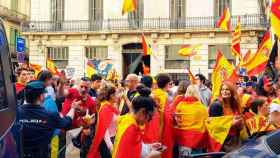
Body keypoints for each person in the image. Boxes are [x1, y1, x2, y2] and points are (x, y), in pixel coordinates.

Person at [17, 80, 76, 158]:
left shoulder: (15, 113)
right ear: (41, 96)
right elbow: (67, 121)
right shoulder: (50, 115)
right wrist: (73, 108)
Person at [112, 86, 162, 158]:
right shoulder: (131, 130)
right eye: (150, 117)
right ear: (142, 112)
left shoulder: (128, 120)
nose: (150, 120)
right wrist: (150, 156)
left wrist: (150, 146)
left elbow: (135, 147)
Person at [173, 84, 208, 157]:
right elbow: (206, 123)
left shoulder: (180, 105)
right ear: (198, 93)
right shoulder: (202, 108)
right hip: (198, 139)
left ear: (187, 92)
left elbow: (177, 120)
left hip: (183, 139)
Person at [209, 81, 244, 152]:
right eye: (222, 89)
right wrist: (231, 124)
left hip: (235, 140)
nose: (224, 92)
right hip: (223, 143)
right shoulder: (216, 106)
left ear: (232, 91)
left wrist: (240, 124)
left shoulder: (235, 105)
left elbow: (240, 126)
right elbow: (213, 126)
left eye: (227, 89)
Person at [88, 84, 119, 158]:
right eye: (116, 94)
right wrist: (110, 146)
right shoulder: (105, 108)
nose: (118, 96)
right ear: (111, 96)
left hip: (112, 139)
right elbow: (105, 130)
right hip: (107, 142)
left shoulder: (110, 106)